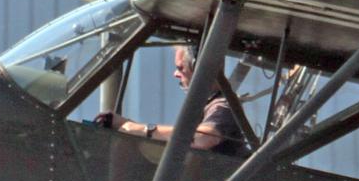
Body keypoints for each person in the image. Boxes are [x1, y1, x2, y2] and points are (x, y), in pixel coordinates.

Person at [95, 45, 247, 156]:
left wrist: (141, 129)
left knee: (124, 145)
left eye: (180, 68)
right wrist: (123, 124)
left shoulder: (223, 105)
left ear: (199, 68)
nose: (175, 73)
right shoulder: (206, 104)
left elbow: (201, 139)